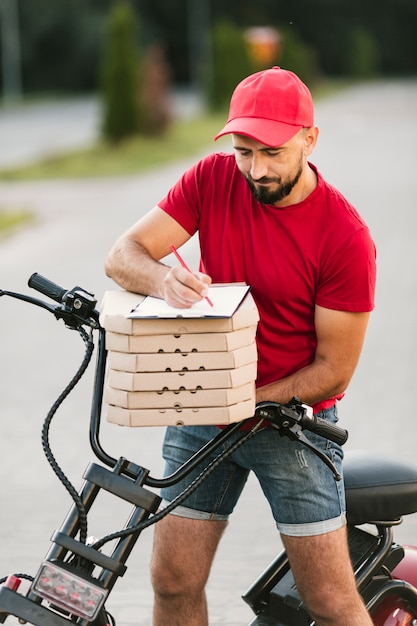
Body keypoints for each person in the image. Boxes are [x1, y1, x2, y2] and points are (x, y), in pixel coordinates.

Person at [105, 66, 376, 626]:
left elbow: (335, 369)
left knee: (327, 600)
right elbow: (123, 254)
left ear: (309, 138)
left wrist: (248, 402)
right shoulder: (212, 179)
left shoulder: (344, 236)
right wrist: (161, 280)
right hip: (202, 413)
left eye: (271, 152)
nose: (256, 169)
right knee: (173, 582)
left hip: (291, 423)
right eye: (244, 151)